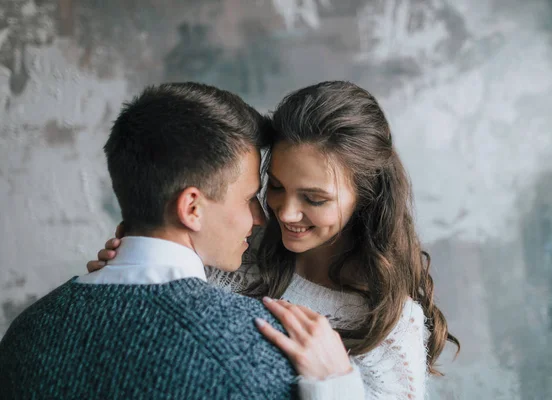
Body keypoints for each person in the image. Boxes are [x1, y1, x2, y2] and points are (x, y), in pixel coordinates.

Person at [91, 81, 461, 399]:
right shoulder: (231, 253)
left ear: (365, 197)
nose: (284, 213)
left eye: (314, 199)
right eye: (277, 187)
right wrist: (128, 278)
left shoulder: (387, 323)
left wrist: (336, 384)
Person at [0, 82, 364, 400]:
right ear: (192, 207)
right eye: (250, 197)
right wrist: (338, 387)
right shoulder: (266, 349)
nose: (261, 216)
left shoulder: (25, 333)